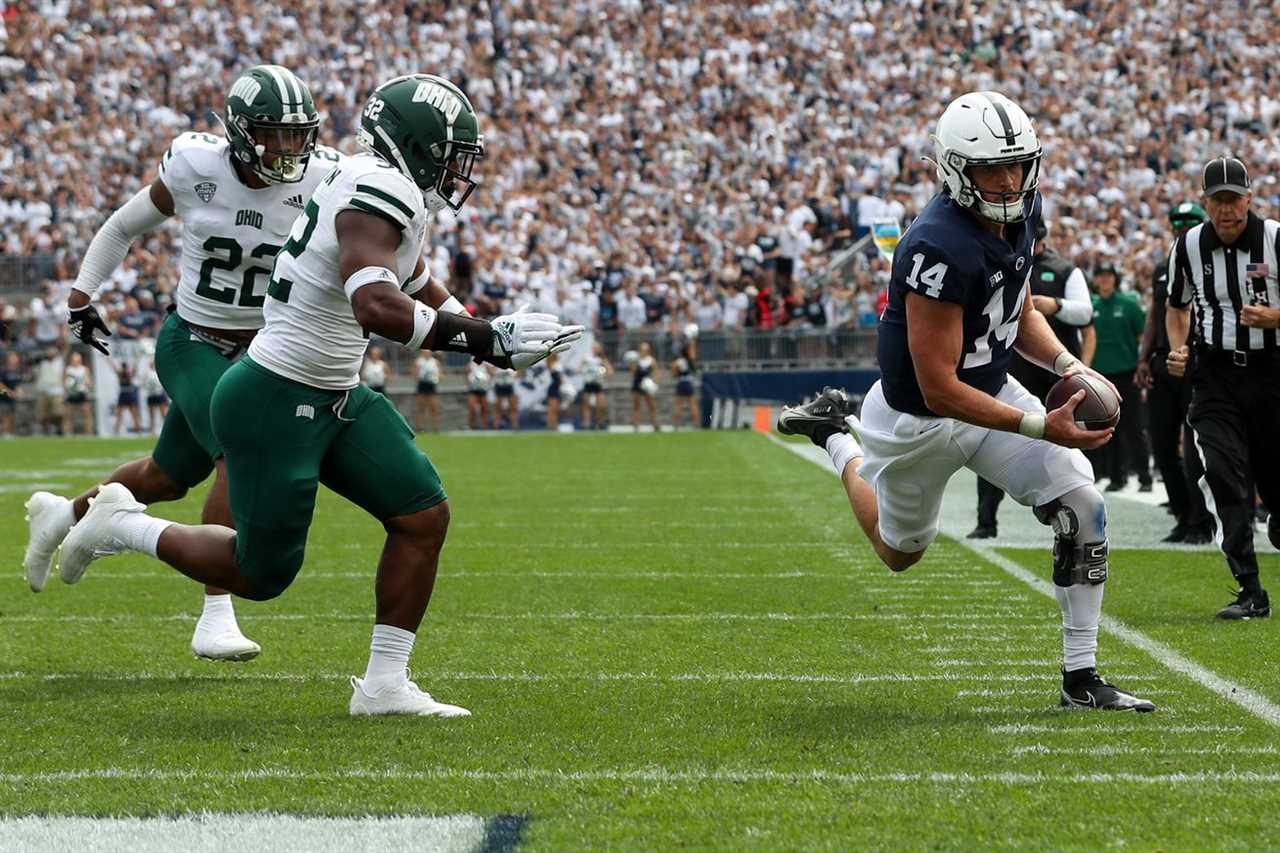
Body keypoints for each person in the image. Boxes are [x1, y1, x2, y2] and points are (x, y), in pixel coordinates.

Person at [56, 73, 582, 716]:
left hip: (331, 391)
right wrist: (482, 340)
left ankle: (385, 685)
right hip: (277, 394)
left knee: (421, 515)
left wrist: (485, 331)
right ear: (417, 146)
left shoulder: (371, 178)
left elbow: (414, 280)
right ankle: (121, 525)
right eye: (449, 152)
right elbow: (378, 306)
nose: (457, 167)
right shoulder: (376, 187)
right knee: (259, 574)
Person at [778, 92, 1152, 711]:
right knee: (897, 554)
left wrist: (1068, 364)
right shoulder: (934, 245)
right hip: (916, 420)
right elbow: (938, 387)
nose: (1008, 181)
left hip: (990, 391)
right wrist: (1039, 424)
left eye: (1017, 165)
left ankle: (1081, 678)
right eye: (989, 169)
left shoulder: (1025, 212)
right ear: (955, 168)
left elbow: (1018, 309)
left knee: (1083, 504)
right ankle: (837, 437)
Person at [23, 65, 339, 661]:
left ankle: (63, 514)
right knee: (237, 448)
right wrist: (82, 295)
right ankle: (215, 610)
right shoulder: (197, 168)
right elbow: (123, 225)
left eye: (297, 135)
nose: (287, 149)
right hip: (193, 339)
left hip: (266, 349)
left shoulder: (324, 178)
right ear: (241, 133)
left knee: (166, 477)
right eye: (273, 134)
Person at [1166, 156, 1280, 620]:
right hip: (1214, 375)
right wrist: (1178, 349)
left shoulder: (1274, 239)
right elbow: (1176, 305)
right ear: (1205, 203)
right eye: (1219, 201)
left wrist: (1277, 317)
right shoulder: (1188, 245)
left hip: (1272, 373)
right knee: (1221, 474)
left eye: (1235, 199)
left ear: (1249, 199)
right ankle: (1250, 589)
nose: (1227, 210)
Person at [969, 220, 1096, 538]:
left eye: (1038, 241)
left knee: (1063, 438)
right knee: (995, 432)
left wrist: (1056, 306)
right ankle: (987, 520)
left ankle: (1067, 508)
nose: (1034, 246)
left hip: (1055, 370)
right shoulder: (999, 259)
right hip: (1013, 363)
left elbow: (1086, 313)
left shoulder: (1065, 269)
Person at [1135, 202, 1213, 544]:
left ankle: (1202, 520)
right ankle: (1183, 515)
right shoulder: (1162, 268)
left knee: (1195, 445)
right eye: (1177, 222)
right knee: (1162, 441)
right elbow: (1155, 315)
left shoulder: (1212, 263)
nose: (1182, 227)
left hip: (1199, 359)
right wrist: (1144, 357)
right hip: (1165, 359)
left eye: (1190, 222)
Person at [1088, 262, 1151, 493]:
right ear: (1095, 280)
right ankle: (1116, 476)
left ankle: (1145, 476)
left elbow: (1141, 336)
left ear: (1115, 279)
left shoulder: (1128, 304)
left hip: (1126, 372)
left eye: (1108, 276)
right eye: (1100, 276)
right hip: (1100, 375)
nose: (1105, 280)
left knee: (1133, 427)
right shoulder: (1090, 305)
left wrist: (1142, 364)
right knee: (1106, 429)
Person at [34, 347, 67, 435]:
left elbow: (66, 349)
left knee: (58, 412)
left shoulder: (60, 362)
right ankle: (46, 431)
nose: (50, 354)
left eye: (52, 352)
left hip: (57, 390)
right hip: (43, 390)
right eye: (49, 352)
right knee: (43, 413)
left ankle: (58, 429)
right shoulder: (42, 363)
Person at [579, 341, 611, 430]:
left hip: (598, 384)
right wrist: (585, 371)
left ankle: (600, 422)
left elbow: (610, 371)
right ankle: (586, 423)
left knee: (600, 405)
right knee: (586, 405)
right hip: (588, 383)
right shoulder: (586, 358)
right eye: (595, 347)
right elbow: (579, 369)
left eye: (598, 348)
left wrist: (604, 372)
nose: (596, 349)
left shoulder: (602, 359)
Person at [671, 336, 700, 428]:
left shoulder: (678, 362)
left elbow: (673, 375)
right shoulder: (691, 361)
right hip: (689, 382)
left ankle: (676, 424)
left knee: (678, 405)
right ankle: (696, 423)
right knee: (693, 404)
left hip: (681, 382)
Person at [64, 350, 94, 436]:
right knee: (68, 415)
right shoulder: (68, 369)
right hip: (71, 393)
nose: (75, 361)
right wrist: (66, 392)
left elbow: (89, 382)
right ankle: (67, 433)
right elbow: (65, 381)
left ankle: (89, 433)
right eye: (73, 359)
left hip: (82, 393)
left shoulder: (84, 369)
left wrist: (88, 391)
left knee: (87, 415)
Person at [631, 340, 658, 430]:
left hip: (647, 384)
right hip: (638, 383)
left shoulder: (651, 360)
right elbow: (633, 372)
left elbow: (656, 372)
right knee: (636, 405)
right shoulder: (636, 360)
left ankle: (654, 424)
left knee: (652, 405)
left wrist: (654, 382)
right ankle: (636, 425)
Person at [414, 351, 441, 432]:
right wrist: (419, 375)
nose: (426, 353)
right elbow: (414, 373)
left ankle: (435, 428)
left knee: (434, 408)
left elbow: (440, 374)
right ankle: (419, 428)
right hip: (422, 385)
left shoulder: (435, 362)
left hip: (431, 385)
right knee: (420, 408)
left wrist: (435, 377)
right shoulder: (418, 361)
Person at [0, 352, 24, 436]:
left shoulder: (18, 371)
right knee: (5, 416)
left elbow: (18, 384)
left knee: (12, 416)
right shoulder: (3, 370)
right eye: (12, 358)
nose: (14, 359)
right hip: (3, 398)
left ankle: (11, 432)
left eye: (15, 358)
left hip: (14, 398)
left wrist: (19, 391)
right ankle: (5, 433)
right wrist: (8, 392)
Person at [142, 357, 168, 433]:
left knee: (163, 414)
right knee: (152, 415)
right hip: (151, 395)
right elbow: (144, 383)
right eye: (151, 363)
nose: (152, 364)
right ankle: (152, 430)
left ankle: (167, 430)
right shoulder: (147, 373)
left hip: (159, 394)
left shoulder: (160, 371)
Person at [466, 361, 493, 430]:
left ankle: (485, 427)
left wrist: (487, 382)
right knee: (472, 408)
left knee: (484, 408)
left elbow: (491, 373)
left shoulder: (486, 363)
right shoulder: (471, 363)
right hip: (473, 388)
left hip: (483, 388)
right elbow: (466, 372)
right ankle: (471, 426)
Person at [545, 352, 563, 430]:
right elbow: (554, 374)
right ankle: (550, 425)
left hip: (557, 387)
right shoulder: (551, 363)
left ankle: (555, 424)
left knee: (555, 409)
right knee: (552, 408)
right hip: (553, 388)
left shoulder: (557, 363)